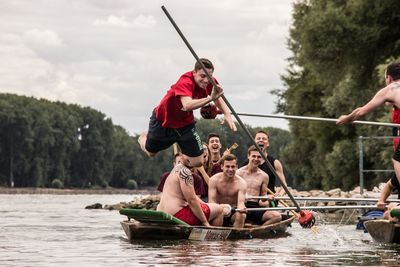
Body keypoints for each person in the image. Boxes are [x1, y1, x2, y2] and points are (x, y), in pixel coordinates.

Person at [138, 58, 237, 168]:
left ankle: (181, 160)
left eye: (208, 77)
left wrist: (227, 114)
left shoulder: (210, 82)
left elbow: (217, 98)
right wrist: (210, 99)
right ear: (194, 72)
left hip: (185, 124)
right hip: (163, 121)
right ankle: (142, 138)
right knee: (151, 152)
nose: (206, 80)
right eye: (202, 76)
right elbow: (187, 105)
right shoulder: (185, 81)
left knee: (198, 162)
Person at [337, 61, 400, 186]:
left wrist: (347, 118)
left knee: (397, 160)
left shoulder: (389, 89)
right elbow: (371, 106)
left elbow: (361, 112)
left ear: (389, 77)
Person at [157, 154, 223, 226]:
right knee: (219, 209)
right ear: (182, 156)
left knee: (212, 207)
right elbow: (192, 201)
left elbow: (193, 197)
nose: (192, 159)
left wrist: (207, 205)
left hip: (163, 211)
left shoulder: (176, 169)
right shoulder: (185, 172)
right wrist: (205, 222)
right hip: (176, 215)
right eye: (189, 156)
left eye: (193, 156)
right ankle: (211, 235)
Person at [237, 145, 282, 225]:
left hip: (255, 207)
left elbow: (263, 197)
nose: (256, 159)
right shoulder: (239, 173)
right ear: (248, 156)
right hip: (241, 205)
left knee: (277, 216)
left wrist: (268, 198)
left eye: (259, 157)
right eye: (253, 156)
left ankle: (259, 230)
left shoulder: (264, 176)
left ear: (261, 158)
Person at [242, 130, 288, 197]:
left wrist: (279, 195)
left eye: (264, 139)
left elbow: (284, 185)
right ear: (254, 142)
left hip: (270, 198)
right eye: (258, 138)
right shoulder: (246, 163)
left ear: (268, 143)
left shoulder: (275, 163)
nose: (261, 140)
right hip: (251, 198)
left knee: (265, 203)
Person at [208, 154, 247, 228]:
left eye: (233, 167)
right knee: (217, 212)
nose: (230, 169)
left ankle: (236, 236)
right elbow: (211, 201)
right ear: (222, 167)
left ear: (237, 167)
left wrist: (242, 208)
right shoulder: (213, 180)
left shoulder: (241, 183)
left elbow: (241, 203)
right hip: (219, 210)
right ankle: (217, 236)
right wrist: (221, 208)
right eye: (227, 166)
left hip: (233, 212)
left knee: (242, 215)